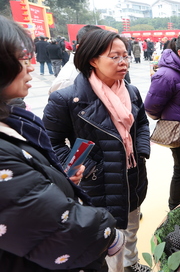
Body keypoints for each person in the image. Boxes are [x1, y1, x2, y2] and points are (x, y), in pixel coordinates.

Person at [0, 15, 125, 271]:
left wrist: (59, 177)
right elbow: (52, 224)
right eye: (21, 58)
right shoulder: (67, 93)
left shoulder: (14, 119)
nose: (30, 66)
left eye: (125, 55)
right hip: (92, 197)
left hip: (121, 182)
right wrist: (108, 232)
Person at [43, 29, 151, 272]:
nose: (123, 62)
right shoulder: (67, 99)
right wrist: (88, 168)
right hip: (96, 186)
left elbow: (142, 123)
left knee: (131, 227)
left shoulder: (131, 92)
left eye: (125, 56)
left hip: (132, 178)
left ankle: (131, 264)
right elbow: (51, 143)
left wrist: (141, 151)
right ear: (93, 59)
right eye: (114, 57)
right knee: (105, 242)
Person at [144, 32, 180, 211]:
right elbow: (150, 106)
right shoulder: (166, 75)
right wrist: (169, 117)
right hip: (178, 130)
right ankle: (174, 205)